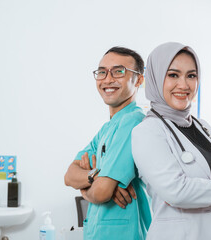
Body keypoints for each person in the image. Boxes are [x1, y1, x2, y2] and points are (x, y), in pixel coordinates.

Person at [131, 42, 211, 240]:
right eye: (173, 75)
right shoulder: (147, 131)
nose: (184, 85)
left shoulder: (203, 126)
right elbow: (177, 191)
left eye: (191, 75)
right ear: (156, 78)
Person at [64, 47, 151, 240]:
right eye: (102, 72)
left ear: (139, 79)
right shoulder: (107, 128)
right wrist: (96, 176)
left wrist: (85, 188)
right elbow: (69, 175)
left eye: (118, 71)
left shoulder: (133, 122)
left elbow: (102, 192)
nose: (108, 79)